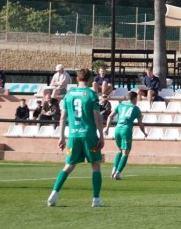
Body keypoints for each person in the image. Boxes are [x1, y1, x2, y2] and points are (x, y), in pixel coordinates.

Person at [47, 69, 105, 207]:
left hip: (73, 135)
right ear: (90, 79)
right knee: (96, 165)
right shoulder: (91, 94)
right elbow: (97, 117)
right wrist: (101, 135)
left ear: (76, 79)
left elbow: (62, 118)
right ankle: (96, 199)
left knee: (69, 165)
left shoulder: (69, 95)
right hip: (88, 134)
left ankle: (54, 193)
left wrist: (61, 137)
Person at [106, 91, 147, 180]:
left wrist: (107, 128)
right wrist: (144, 132)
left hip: (117, 129)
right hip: (126, 130)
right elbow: (140, 123)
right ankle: (118, 173)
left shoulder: (120, 105)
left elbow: (110, 116)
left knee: (120, 150)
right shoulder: (136, 108)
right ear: (135, 99)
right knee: (125, 153)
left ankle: (113, 170)